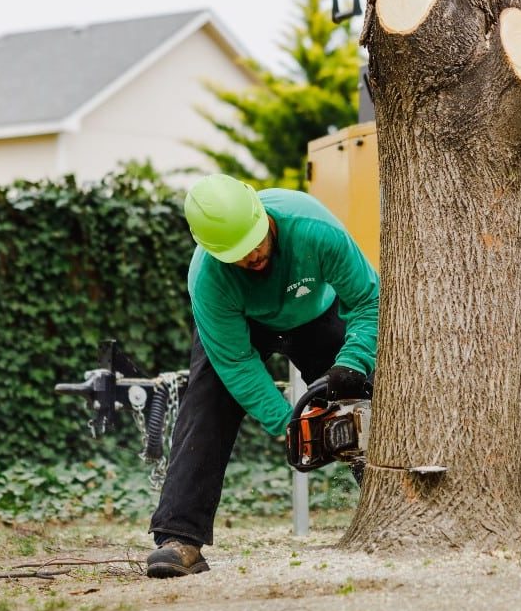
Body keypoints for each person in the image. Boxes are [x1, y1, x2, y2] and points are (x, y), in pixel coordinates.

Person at [146, 174, 379, 578]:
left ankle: (394, 507)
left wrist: (352, 364)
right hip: (245, 326)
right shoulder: (208, 279)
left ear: (262, 213)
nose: (250, 256)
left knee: (365, 396)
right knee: (206, 401)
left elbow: (368, 300)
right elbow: (236, 363)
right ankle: (179, 537)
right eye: (235, 253)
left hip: (316, 316)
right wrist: (290, 422)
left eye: (254, 241)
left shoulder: (313, 228)